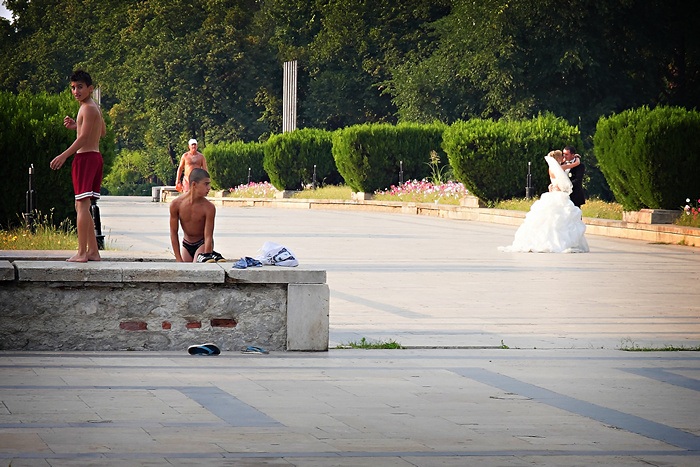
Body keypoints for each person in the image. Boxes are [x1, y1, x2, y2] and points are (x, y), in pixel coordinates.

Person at [49, 70, 106, 263]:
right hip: (94, 157)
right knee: (82, 205)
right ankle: (93, 252)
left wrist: (63, 155)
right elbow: (102, 130)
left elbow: (83, 139)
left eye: (80, 87)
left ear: (90, 88)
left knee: (81, 206)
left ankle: (82, 252)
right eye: (73, 87)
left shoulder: (87, 108)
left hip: (86, 158)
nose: (76, 91)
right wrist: (78, 125)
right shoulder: (92, 107)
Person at [499, 150, 589, 253]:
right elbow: (575, 164)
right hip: (558, 194)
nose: (564, 158)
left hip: (553, 193)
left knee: (552, 218)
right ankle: (558, 242)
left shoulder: (553, 168)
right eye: (562, 157)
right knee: (558, 218)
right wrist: (577, 158)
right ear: (558, 158)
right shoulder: (559, 168)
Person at [169, 168, 226, 263]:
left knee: (197, 268)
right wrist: (178, 259)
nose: (209, 188)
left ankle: (213, 256)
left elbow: (208, 236)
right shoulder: (176, 204)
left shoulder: (209, 207)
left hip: (202, 243)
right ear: (194, 184)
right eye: (206, 184)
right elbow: (173, 233)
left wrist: (207, 256)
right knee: (185, 272)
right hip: (186, 244)